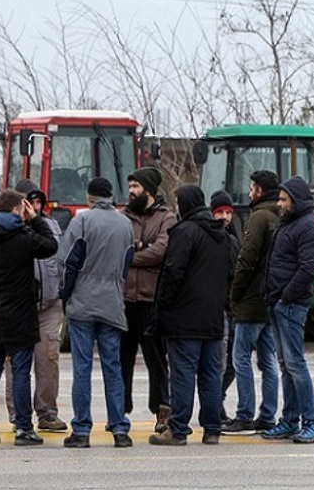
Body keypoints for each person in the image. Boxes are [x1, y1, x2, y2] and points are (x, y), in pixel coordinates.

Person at [0, 189, 58, 447]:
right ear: (20, 209)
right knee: (21, 373)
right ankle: (23, 428)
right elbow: (51, 245)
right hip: (20, 315)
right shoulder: (24, 238)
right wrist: (35, 220)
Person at [149, 185, 232, 446]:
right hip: (214, 317)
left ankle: (178, 429)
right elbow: (231, 276)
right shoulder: (223, 236)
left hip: (184, 318)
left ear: (185, 204)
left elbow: (173, 273)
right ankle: (212, 428)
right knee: (210, 375)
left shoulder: (185, 233)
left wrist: (162, 306)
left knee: (183, 374)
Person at [58, 177, 136, 449]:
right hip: (112, 303)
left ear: (90, 197)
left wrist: (65, 296)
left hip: (83, 303)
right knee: (112, 367)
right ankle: (119, 429)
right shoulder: (126, 224)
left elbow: (68, 261)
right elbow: (127, 264)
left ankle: (81, 429)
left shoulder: (81, 221)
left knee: (82, 368)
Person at [262, 176, 314, 444]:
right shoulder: (288, 225)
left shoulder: (307, 227)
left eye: (283, 199)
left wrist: (286, 297)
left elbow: (308, 267)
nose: (279, 203)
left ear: (296, 201)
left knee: (296, 364)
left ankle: (310, 422)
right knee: (286, 365)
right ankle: (289, 420)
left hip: (291, 305)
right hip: (278, 303)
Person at [3, 180, 68, 434]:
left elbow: (60, 257)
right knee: (15, 364)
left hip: (49, 306)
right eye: (30, 202)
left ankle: (48, 413)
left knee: (48, 360)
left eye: (39, 201)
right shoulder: (7, 229)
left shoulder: (51, 227)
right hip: (19, 308)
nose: (36, 206)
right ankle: (19, 415)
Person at [223, 171, 280, 434]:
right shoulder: (279, 217)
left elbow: (247, 259)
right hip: (271, 298)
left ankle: (244, 414)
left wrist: (235, 292)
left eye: (251, 188)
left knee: (240, 357)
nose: (249, 193)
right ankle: (267, 414)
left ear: (259, 191)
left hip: (251, 299)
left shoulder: (258, 218)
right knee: (267, 358)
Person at [120, 167, 175, 433]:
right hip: (125, 299)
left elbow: (161, 252)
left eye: (136, 187)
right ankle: (120, 410)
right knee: (123, 357)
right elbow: (118, 250)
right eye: (130, 186)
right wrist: (142, 249)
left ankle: (162, 409)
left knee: (156, 359)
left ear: (149, 190)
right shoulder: (123, 217)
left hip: (152, 300)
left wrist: (133, 254)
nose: (131, 191)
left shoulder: (167, 218)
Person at [210, 189, 239, 423]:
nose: (225, 217)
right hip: (218, 308)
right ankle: (214, 406)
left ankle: (216, 399)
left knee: (234, 362)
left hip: (232, 307)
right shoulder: (213, 240)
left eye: (228, 212)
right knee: (221, 361)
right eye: (220, 212)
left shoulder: (233, 240)